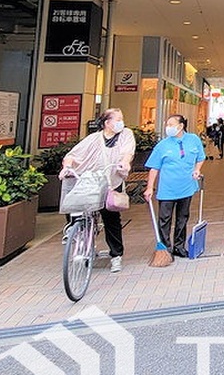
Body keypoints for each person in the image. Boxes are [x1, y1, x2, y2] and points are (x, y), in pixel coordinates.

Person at [61, 107, 135, 272]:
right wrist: (67, 167)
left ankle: (116, 255)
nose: (121, 122)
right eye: (118, 119)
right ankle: (76, 235)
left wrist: (125, 162)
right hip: (92, 180)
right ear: (107, 123)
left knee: (111, 217)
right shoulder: (94, 138)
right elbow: (72, 155)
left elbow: (127, 152)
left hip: (112, 181)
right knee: (77, 204)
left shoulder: (126, 134)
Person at [143, 114, 205, 260]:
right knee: (164, 219)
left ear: (181, 126)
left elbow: (201, 157)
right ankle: (166, 249)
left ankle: (179, 246)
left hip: (187, 186)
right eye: (167, 124)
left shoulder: (193, 140)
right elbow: (154, 168)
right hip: (167, 189)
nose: (168, 127)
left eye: (171, 124)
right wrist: (150, 187)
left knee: (182, 218)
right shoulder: (162, 145)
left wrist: (197, 169)